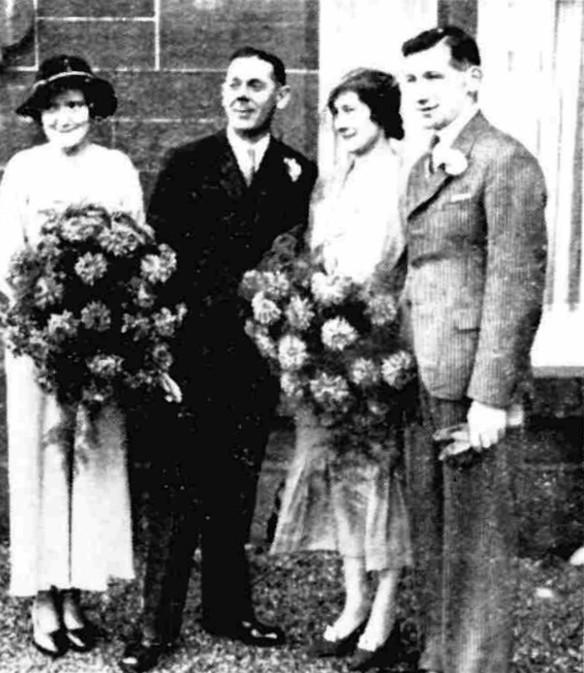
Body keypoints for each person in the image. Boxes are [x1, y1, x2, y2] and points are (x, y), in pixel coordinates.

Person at [119, 46, 317, 672]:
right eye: (233, 83)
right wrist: (160, 355)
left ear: (280, 96)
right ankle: (155, 629)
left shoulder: (297, 171)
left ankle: (228, 610)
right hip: (188, 351)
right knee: (172, 494)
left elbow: (297, 262)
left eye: (256, 85)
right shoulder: (188, 163)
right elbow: (157, 264)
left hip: (253, 358)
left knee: (235, 487)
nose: (241, 93)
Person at [399, 26, 547, 673]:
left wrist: (492, 397)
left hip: (471, 386)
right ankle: (441, 657)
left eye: (434, 76)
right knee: (433, 541)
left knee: (478, 547)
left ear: (472, 78)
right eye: (411, 80)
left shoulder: (505, 161)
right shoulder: (424, 164)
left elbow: (516, 286)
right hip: (422, 378)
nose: (420, 93)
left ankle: (476, 664)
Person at [0, 55, 143, 658]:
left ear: (93, 111)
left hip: (99, 342)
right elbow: (7, 257)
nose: (64, 117)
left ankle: (76, 593)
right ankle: (42, 599)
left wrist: (101, 318)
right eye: (53, 107)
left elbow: (132, 244)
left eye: (75, 105)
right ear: (39, 116)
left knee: (90, 461)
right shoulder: (23, 168)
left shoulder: (116, 167)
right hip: (39, 340)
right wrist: (49, 316)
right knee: (42, 462)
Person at [269, 68, 413, 673]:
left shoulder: (408, 170)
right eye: (336, 113)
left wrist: (352, 301)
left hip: (376, 345)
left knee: (376, 479)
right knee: (336, 477)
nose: (343, 122)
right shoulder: (331, 176)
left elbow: (391, 261)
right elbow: (315, 251)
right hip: (326, 346)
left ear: (381, 113)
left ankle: (384, 614)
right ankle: (353, 603)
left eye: (352, 110)